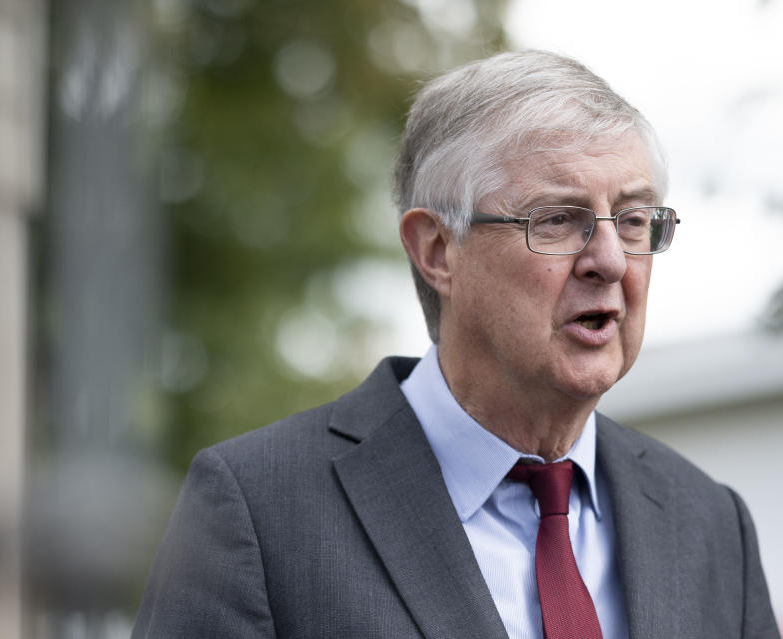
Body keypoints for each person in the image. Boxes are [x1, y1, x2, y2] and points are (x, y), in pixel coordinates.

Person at [132, 50, 779, 638]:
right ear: (438, 251)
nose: (610, 259)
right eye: (558, 219)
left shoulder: (709, 521)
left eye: (635, 220)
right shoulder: (258, 508)